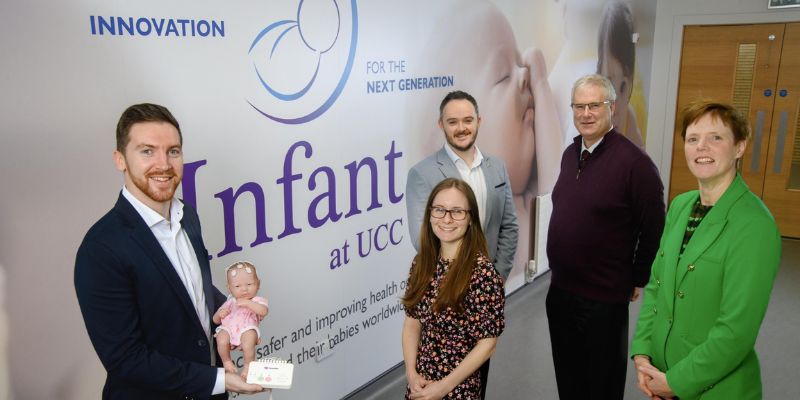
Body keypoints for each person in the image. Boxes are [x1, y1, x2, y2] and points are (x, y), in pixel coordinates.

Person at [74, 103, 263, 399]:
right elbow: (126, 359)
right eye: (147, 151)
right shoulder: (100, 249)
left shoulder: (187, 215)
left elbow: (192, 289)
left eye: (173, 151)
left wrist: (236, 310)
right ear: (120, 160)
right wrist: (219, 380)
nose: (163, 164)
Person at [630, 101, 782, 400]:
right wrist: (643, 353)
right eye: (693, 139)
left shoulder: (754, 225)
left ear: (739, 147)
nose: (702, 147)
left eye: (716, 137)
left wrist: (676, 382)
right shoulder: (680, 206)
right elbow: (657, 288)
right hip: (662, 372)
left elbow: (736, 331)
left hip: (713, 388)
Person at [407, 0, 563, 285]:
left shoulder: (501, 173)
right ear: (442, 128)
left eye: (520, 63)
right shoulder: (425, 177)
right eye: (503, 76)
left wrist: (541, 86)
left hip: (497, 292)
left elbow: (553, 194)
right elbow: (426, 243)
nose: (525, 74)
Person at [546, 74, 665, 399]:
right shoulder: (570, 153)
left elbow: (654, 226)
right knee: (568, 377)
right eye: (579, 106)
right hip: (560, 292)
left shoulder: (635, 164)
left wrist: (637, 276)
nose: (585, 113)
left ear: (611, 108)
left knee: (602, 383)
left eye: (594, 105)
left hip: (603, 298)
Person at [401, 178, 505, 400]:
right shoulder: (421, 263)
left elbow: (488, 343)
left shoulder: (482, 274)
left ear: (470, 218)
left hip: (458, 388)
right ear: (430, 214)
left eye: (457, 211)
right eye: (439, 209)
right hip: (420, 383)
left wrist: (442, 388)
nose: (447, 219)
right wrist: (411, 373)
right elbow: (412, 323)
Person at [597, 0, 645, 147]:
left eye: (623, 87)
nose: (615, 107)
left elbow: (642, 156)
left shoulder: (629, 117)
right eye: (609, 86)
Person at [213, 261, 269, 379]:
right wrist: (219, 313)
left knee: (248, 343)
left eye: (249, 284)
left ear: (258, 284)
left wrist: (248, 303)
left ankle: (248, 366)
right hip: (228, 328)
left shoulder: (257, 300)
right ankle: (227, 362)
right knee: (221, 339)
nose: (244, 289)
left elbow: (263, 311)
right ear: (229, 288)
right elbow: (215, 320)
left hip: (247, 328)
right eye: (237, 286)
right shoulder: (230, 302)